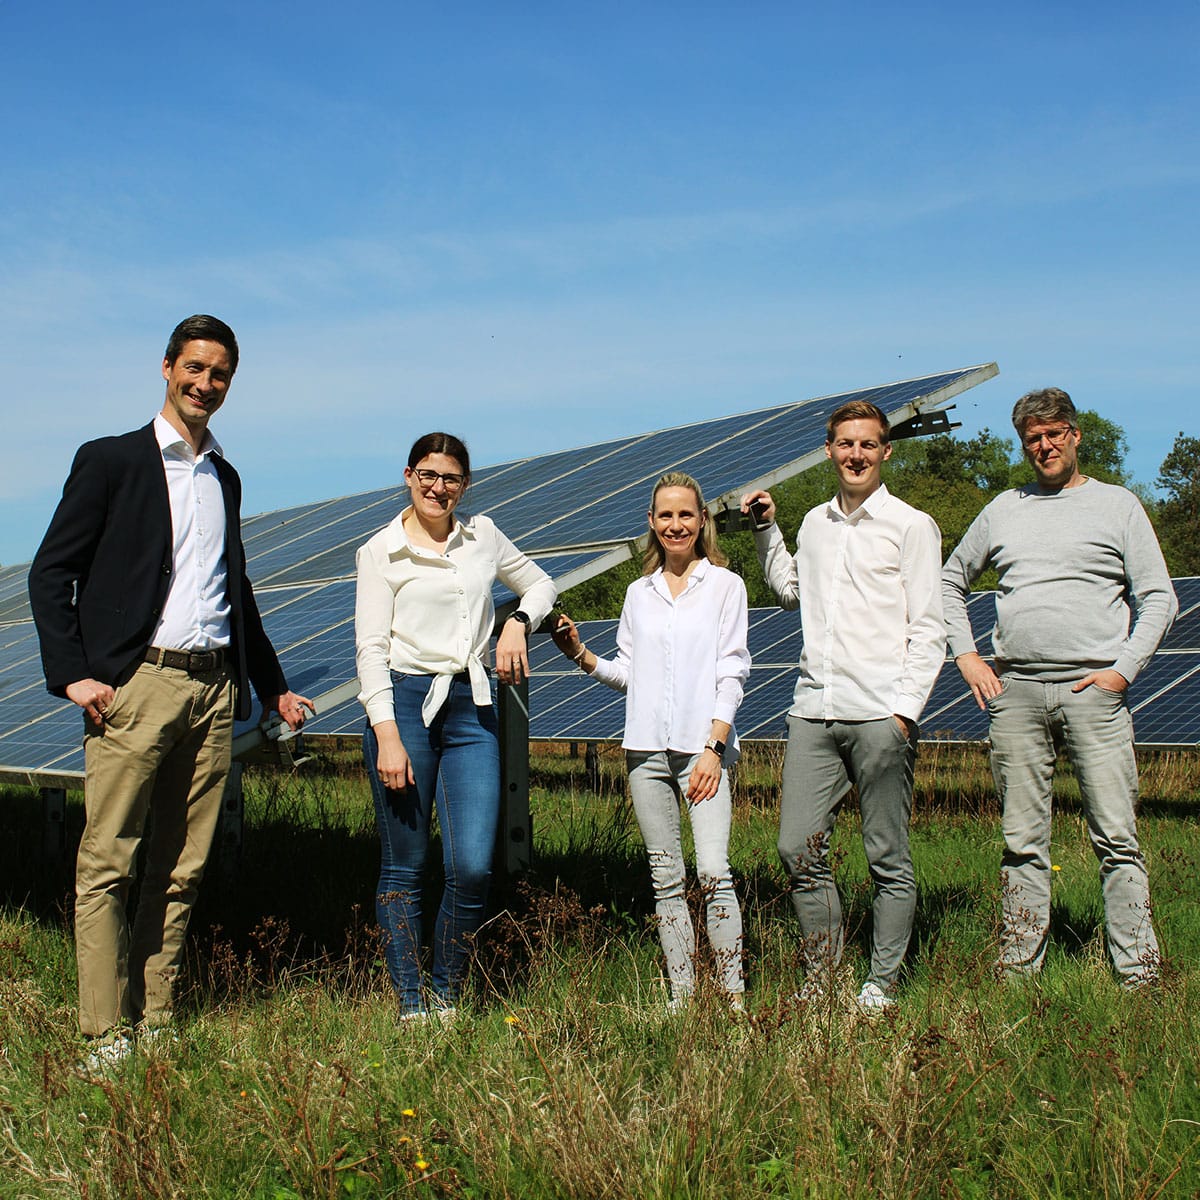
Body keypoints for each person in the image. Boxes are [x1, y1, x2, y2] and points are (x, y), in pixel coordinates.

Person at [28, 314, 313, 1066]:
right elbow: (52, 572)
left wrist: (273, 687)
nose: (205, 384)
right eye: (194, 368)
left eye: (219, 374)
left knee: (181, 867)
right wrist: (74, 673)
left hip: (214, 690)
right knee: (108, 862)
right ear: (166, 367)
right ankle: (104, 1032)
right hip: (138, 684)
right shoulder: (111, 461)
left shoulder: (225, 476)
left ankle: (153, 1018)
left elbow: (234, 590)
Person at [942, 388, 1177, 988]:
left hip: (1093, 691)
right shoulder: (1004, 509)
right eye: (1033, 438)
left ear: (1074, 435)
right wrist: (966, 656)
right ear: (1024, 445)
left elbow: (1159, 597)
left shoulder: (1118, 505)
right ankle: (1017, 973)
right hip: (1015, 692)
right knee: (1022, 841)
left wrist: (1122, 671)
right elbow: (949, 581)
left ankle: (1140, 973)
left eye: (1053, 434)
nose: (1044, 446)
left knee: (1117, 837)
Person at [741, 400, 945, 1014]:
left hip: (880, 714)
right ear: (829, 450)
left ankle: (881, 984)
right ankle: (824, 976)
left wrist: (904, 714)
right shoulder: (814, 524)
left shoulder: (912, 526)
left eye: (868, 444)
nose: (856, 455)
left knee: (887, 856)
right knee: (797, 849)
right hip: (813, 711)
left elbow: (928, 629)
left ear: (885, 451)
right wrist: (766, 531)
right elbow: (791, 591)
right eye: (846, 444)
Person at [355, 432, 556, 1020]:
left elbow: (540, 583)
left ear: (465, 485)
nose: (437, 488)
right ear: (408, 476)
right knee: (405, 863)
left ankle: (446, 993)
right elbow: (370, 649)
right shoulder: (380, 551)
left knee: (471, 864)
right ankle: (411, 1003)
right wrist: (386, 735)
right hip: (404, 707)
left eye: (450, 478)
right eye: (427, 475)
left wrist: (517, 622)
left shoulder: (483, 535)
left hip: (473, 707)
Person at [552, 472, 751, 1011]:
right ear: (651, 522)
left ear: (702, 520)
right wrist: (581, 656)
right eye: (666, 515)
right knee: (666, 879)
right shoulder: (638, 594)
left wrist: (714, 748)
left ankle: (732, 1001)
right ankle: (682, 1000)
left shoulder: (725, 586)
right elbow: (630, 672)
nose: (675, 525)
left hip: (702, 753)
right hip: (645, 754)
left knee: (713, 873)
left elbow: (732, 671)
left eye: (686, 514)